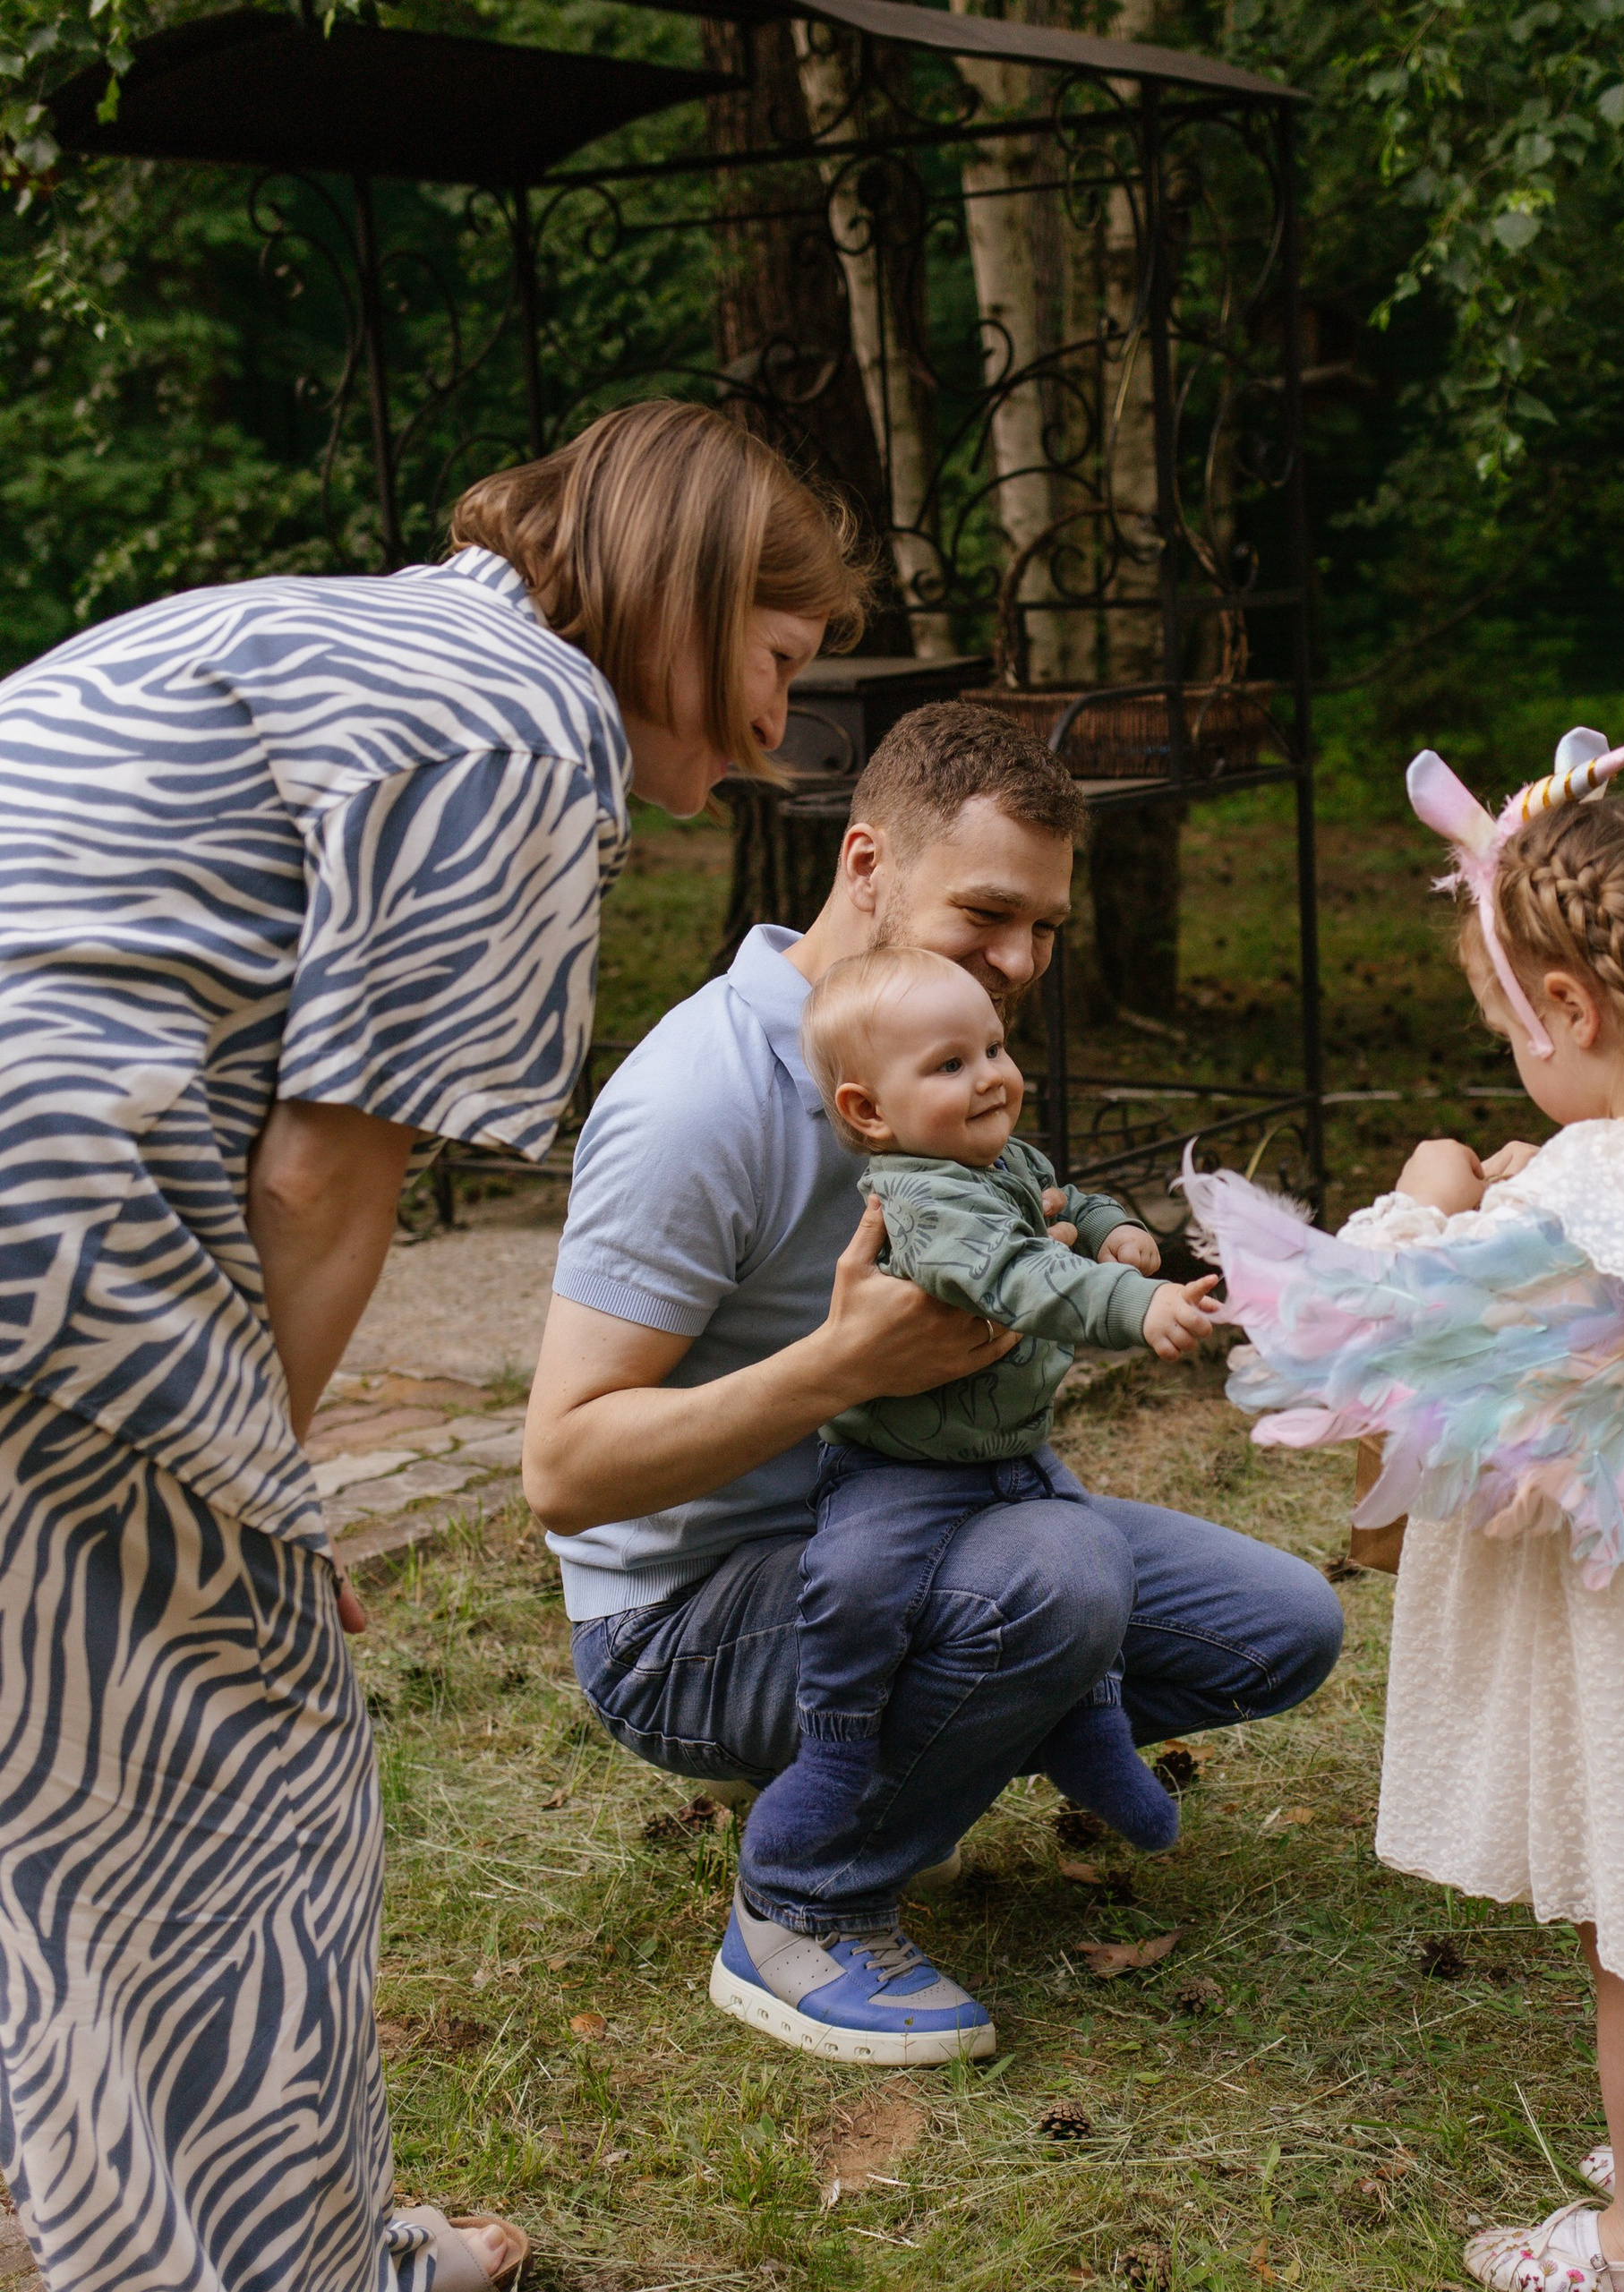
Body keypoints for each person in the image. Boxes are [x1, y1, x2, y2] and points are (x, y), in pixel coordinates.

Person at [0, 398, 868, 2292]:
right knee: (235, 1786)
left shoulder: (330, 629)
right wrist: (261, 1495)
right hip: (47, 1208)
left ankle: (131, 2208)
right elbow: (324, 1176)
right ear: (689, 590)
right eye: (778, 662)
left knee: (67, 1761)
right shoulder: (518, 723)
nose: (774, 731)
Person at [522, 700, 1345, 2068]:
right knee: (1059, 1576)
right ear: (866, 868)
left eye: (1047, 929)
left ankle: (882, 1751)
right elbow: (561, 1473)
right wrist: (837, 1367)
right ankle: (801, 1907)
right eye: (988, 914)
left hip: (909, 1520)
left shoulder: (933, 1043)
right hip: (681, 1622)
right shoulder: (699, 1103)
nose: (1020, 963)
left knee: (1280, 1626)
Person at [1185, 734, 1624, 2291]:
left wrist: (1439, 1184)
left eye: (1510, 1029)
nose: (1516, 1063)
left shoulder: (1596, 1190)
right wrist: (1546, 1170)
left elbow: (1356, 1323)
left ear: (1576, 1009)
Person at [751, 943, 1221, 1871]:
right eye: (950, 1064)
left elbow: (1059, 1199)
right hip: (900, 1468)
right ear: (867, 1110)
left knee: (1099, 1579)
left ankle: (1088, 1729)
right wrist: (1137, 1304)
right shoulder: (924, 1198)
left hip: (1005, 1450)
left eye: (996, 1049)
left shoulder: (991, 1156)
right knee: (854, 1589)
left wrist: (1112, 1226)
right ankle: (835, 1749)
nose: (992, 1078)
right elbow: (1017, 1273)